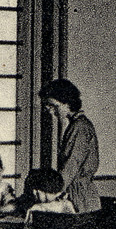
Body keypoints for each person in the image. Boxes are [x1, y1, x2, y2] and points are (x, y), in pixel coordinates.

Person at [39, 78, 100, 214]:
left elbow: (72, 164)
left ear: (66, 102)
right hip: (75, 190)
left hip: (80, 194)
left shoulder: (80, 127)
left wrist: (55, 192)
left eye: (53, 105)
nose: (50, 110)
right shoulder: (76, 125)